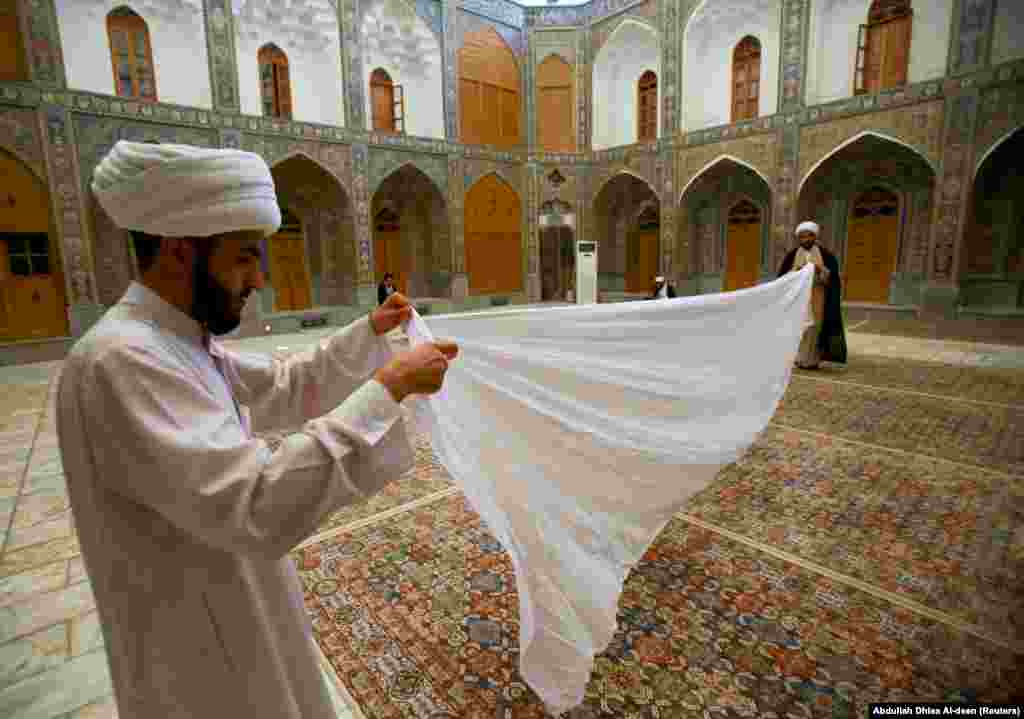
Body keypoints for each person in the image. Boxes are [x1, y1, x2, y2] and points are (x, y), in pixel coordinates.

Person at [56, 141, 459, 719]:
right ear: (176, 251)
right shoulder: (122, 361)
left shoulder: (175, 341)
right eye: (243, 257)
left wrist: (370, 332)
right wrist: (387, 391)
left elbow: (283, 385)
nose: (257, 278)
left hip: (235, 607)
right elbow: (255, 503)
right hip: (195, 649)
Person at [777, 221, 847, 369]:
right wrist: (796, 271)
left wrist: (820, 269)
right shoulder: (792, 255)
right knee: (799, 327)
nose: (805, 240)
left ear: (815, 237)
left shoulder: (826, 255)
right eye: (802, 237)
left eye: (809, 236)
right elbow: (784, 278)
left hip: (818, 296)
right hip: (798, 297)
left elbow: (832, 279)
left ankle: (812, 359)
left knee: (814, 327)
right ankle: (798, 358)